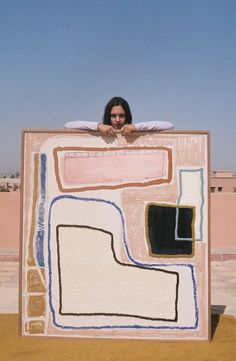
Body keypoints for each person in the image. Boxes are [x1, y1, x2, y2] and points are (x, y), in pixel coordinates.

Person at [64, 96, 174, 136]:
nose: (117, 120)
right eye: (113, 116)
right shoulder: (99, 133)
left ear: (127, 116)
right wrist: (98, 126)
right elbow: (68, 125)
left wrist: (136, 127)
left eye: (121, 115)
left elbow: (169, 126)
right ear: (108, 116)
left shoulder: (135, 134)